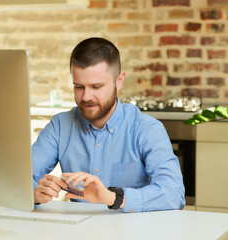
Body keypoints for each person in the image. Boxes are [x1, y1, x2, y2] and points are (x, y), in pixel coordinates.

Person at [32, 37, 185, 213]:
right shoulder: (60, 126)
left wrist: (112, 197)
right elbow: (17, 181)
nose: (86, 96)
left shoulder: (147, 130)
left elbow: (173, 193)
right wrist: (34, 194)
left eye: (96, 86)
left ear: (119, 81)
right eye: (79, 86)